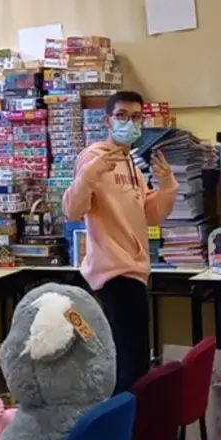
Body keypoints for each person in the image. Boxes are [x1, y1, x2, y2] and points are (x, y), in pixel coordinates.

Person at [62, 90, 177, 393]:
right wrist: (88, 176)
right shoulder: (93, 158)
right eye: (122, 116)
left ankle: (128, 431)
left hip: (134, 270)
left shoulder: (130, 164)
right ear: (108, 121)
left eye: (136, 117)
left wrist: (167, 186)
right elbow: (73, 209)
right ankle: (125, 434)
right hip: (113, 273)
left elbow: (148, 214)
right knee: (129, 365)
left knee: (134, 361)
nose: (130, 123)